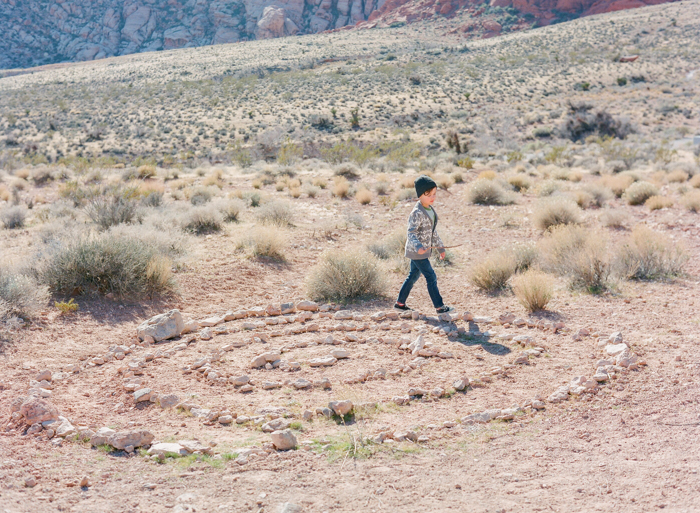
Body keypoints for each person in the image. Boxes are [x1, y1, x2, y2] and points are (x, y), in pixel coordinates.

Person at [394, 175, 455, 314]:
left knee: (413, 276)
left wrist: (440, 248)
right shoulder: (417, 213)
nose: (432, 197)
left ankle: (400, 303)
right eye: (428, 195)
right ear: (420, 195)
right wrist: (418, 247)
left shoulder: (430, 210)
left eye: (434, 194)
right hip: (417, 252)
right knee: (431, 276)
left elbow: (433, 232)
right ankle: (440, 307)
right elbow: (411, 233)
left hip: (422, 251)